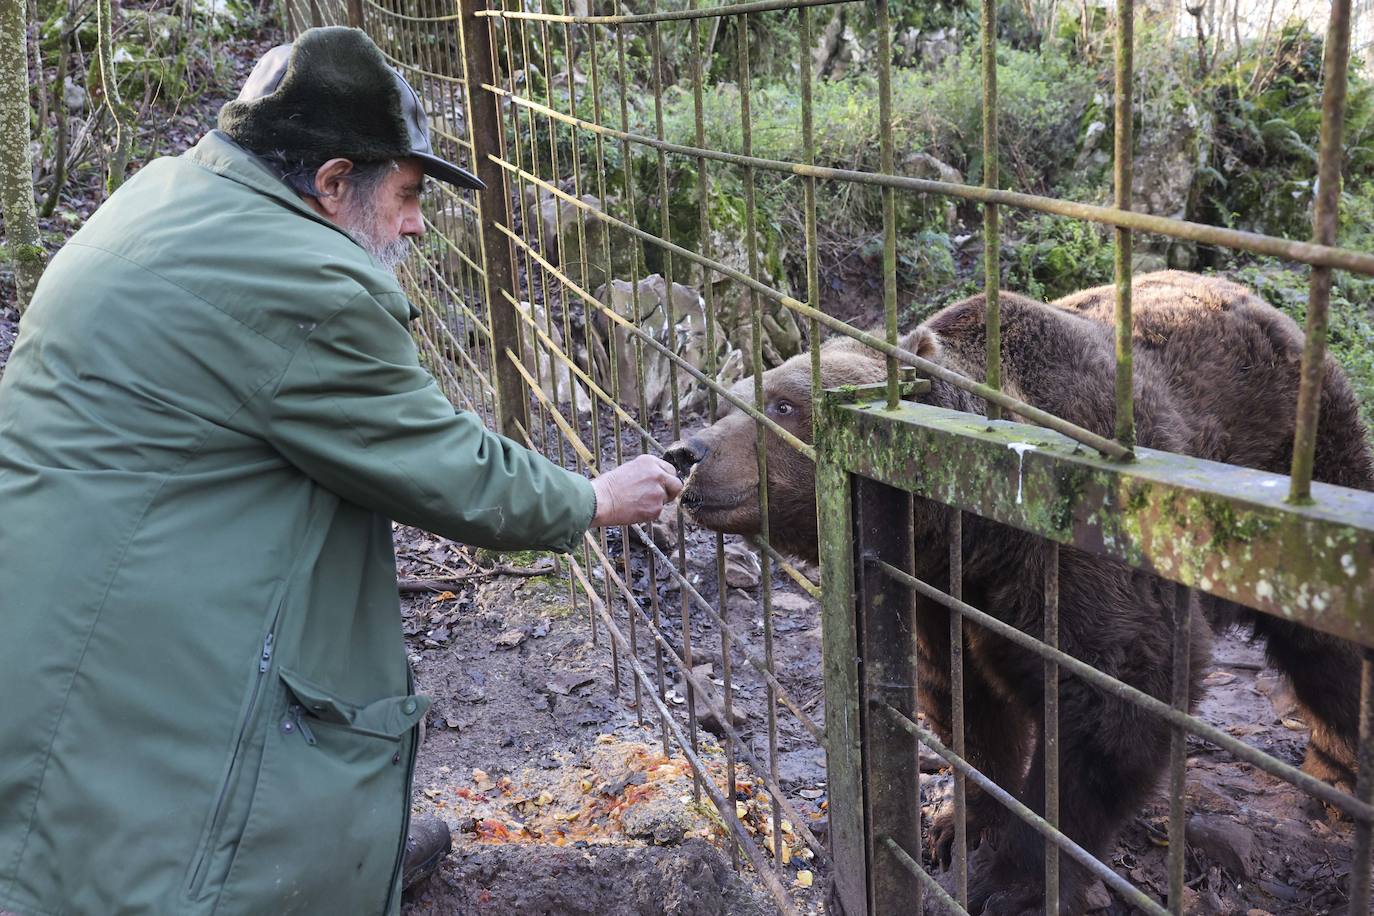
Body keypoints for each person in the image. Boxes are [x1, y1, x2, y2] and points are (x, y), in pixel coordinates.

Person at [0, 27, 681, 916]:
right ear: (331, 183)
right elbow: (446, 466)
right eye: (405, 194)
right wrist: (590, 499)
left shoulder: (160, 194)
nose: (416, 222)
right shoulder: (307, 282)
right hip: (142, 668)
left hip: (47, 621)